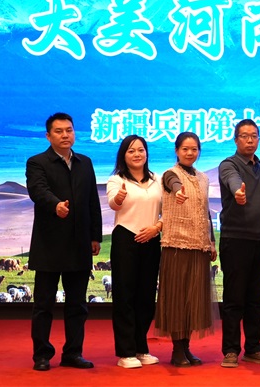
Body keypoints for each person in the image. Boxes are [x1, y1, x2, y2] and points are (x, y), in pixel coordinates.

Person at [26, 112, 102, 371]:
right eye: (59, 131)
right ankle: (42, 355)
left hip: (80, 244)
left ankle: (73, 353)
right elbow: (37, 190)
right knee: (44, 304)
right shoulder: (37, 162)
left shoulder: (85, 163)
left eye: (69, 130)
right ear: (48, 136)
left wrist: (95, 235)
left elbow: (92, 201)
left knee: (78, 305)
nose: (65, 135)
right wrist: (55, 205)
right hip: (49, 244)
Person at [154, 132, 217, 367]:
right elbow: (174, 184)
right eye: (185, 149)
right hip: (177, 245)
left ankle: (186, 347)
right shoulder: (170, 174)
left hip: (199, 246)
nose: (190, 153)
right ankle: (177, 350)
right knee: (178, 299)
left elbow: (206, 212)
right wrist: (179, 190)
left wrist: (211, 242)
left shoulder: (203, 178)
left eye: (194, 149)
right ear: (177, 151)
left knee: (194, 300)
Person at [219, 119, 260, 368]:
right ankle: (231, 350)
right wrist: (238, 193)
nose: (250, 140)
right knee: (234, 298)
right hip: (236, 239)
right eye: (244, 136)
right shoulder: (229, 164)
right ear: (235, 139)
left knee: (255, 299)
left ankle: (253, 348)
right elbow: (232, 180)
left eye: (254, 136)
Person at [107, 135, 162, 369]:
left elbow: (167, 210)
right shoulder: (116, 180)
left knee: (146, 296)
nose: (137, 154)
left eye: (141, 150)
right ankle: (126, 352)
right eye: (131, 151)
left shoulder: (157, 179)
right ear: (123, 155)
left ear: (146, 153)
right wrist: (119, 197)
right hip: (126, 239)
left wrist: (156, 228)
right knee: (125, 295)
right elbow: (114, 204)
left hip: (152, 238)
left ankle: (141, 348)